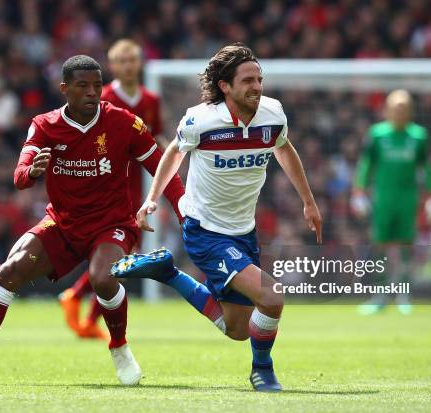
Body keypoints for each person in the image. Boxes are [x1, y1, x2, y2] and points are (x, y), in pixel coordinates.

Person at [0, 55, 185, 385]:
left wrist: (184, 214)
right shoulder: (44, 125)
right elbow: (20, 176)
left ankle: (120, 348)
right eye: (82, 86)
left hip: (111, 223)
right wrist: (31, 171)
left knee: (103, 276)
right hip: (64, 223)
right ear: (65, 89)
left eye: (97, 86)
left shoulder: (124, 122)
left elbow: (163, 168)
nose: (92, 93)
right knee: (9, 270)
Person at [111, 44, 322, 392]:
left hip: (243, 230)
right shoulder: (201, 120)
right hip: (205, 231)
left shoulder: (273, 115)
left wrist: (309, 202)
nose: (257, 86)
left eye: (259, 79)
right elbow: (173, 154)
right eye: (248, 80)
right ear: (225, 86)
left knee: (237, 328)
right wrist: (151, 199)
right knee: (272, 297)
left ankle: (168, 273)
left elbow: (284, 148)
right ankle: (263, 372)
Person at [59, 39, 165, 340]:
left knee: (123, 253)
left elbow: (154, 139)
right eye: (123, 61)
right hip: (109, 182)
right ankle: (80, 300)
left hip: (138, 183)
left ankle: (82, 305)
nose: (129, 66)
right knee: (119, 252)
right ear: (113, 66)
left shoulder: (151, 100)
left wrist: (175, 154)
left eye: (133, 60)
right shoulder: (102, 97)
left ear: (140, 63)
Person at [351, 89, 431, 315]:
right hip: (383, 200)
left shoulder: (419, 136)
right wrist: (359, 193)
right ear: (387, 110)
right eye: (396, 108)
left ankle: (404, 295)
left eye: (404, 108)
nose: (400, 112)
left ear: (410, 111)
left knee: (406, 247)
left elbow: (427, 168)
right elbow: (365, 165)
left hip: (408, 200)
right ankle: (379, 296)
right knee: (379, 246)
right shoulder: (377, 135)